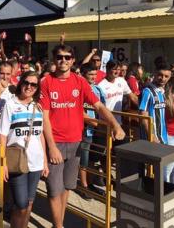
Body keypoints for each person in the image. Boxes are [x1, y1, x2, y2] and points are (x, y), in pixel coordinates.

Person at [40, 45, 125, 228]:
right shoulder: (46, 82)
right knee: (54, 190)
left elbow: (99, 106)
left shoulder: (80, 82)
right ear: (54, 59)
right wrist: (51, 146)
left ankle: (58, 223)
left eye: (67, 57)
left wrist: (115, 125)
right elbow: (44, 117)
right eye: (59, 57)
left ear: (72, 60)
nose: (63, 60)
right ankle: (59, 225)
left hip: (76, 142)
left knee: (67, 187)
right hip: (56, 142)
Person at [0, 71, 49, 228]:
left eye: (34, 84)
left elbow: (40, 135)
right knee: (21, 204)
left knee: (29, 204)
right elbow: (2, 136)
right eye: (26, 82)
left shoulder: (37, 106)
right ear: (20, 83)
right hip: (17, 160)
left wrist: (45, 161)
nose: (29, 87)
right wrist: (3, 162)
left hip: (36, 161)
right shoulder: (10, 105)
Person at [77, 62, 106, 200]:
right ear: (83, 75)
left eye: (95, 74)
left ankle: (90, 183)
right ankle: (83, 186)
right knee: (84, 159)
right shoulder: (78, 89)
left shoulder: (98, 90)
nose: (94, 77)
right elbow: (78, 111)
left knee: (92, 160)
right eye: (90, 74)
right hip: (83, 131)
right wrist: (93, 122)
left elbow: (103, 109)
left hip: (97, 130)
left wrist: (103, 125)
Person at [139, 62, 172, 144]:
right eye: (160, 75)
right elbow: (143, 117)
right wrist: (152, 136)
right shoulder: (147, 92)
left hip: (165, 138)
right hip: (152, 139)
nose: (163, 78)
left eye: (166, 76)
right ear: (155, 73)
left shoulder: (165, 91)